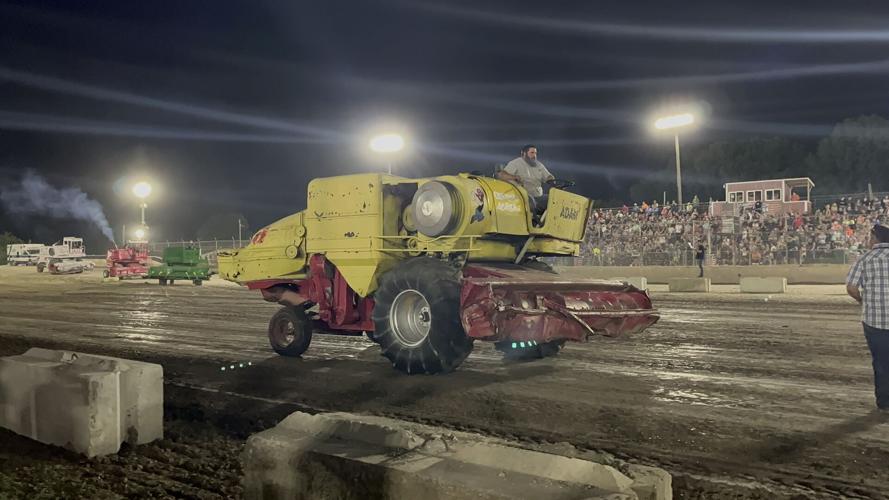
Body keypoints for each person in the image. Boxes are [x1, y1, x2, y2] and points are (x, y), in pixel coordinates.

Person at [846, 224, 889, 413]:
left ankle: (885, 403)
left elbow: (851, 288)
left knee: (880, 361)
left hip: (874, 319)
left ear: (875, 238)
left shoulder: (864, 259)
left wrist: (863, 301)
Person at [496, 144, 555, 212]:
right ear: (523, 153)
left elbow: (549, 176)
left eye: (535, 153)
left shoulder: (539, 165)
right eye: (532, 153)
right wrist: (514, 177)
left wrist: (551, 179)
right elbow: (501, 175)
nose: (534, 155)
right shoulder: (516, 163)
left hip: (538, 196)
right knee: (544, 203)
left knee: (555, 199)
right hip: (525, 197)